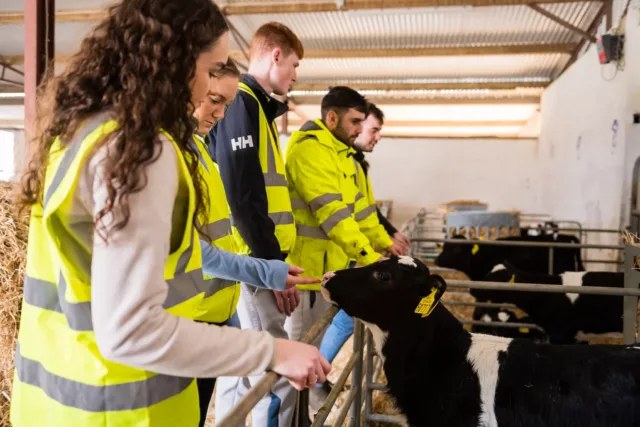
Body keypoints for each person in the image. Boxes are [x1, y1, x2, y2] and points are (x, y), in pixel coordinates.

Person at [10, 2, 329, 426]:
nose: (206, 90)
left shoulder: (79, 135)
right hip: (125, 409)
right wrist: (272, 350)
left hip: (53, 405)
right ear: (174, 60)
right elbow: (130, 329)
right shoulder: (141, 152)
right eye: (211, 69)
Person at [191, 59, 320, 426]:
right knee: (269, 376)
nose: (218, 112)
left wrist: (269, 270)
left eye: (224, 104)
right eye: (213, 98)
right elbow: (242, 205)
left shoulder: (198, 146)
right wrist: (265, 269)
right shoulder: (244, 109)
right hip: (202, 309)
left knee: (235, 382)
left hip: (217, 305)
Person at [211, 22, 303, 427]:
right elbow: (243, 196)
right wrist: (270, 269)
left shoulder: (257, 109)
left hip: (256, 261)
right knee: (275, 367)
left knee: (240, 371)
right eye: (294, 65)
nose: (296, 76)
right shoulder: (242, 104)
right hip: (251, 262)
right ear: (276, 55)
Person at [285, 87, 388, 414]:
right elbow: (333, 215)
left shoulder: (343, 156)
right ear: (331, 118)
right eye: (356, 121)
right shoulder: (311, 151)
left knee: (308, 355)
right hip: (304, 272)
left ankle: (305, 414)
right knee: (296, 362)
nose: (360, 128)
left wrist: (385, 247)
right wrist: (371, 260)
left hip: (326, 275)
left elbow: (362, 214)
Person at [314, 103, 411, 403]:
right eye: (370, 128)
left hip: (350, 251)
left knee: (343, 318)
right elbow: (341, 213)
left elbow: (367, 212)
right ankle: (316, 373)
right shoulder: (335, 158)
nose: (372, 135)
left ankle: (317, 372)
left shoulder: (355, 162)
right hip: (335, 254)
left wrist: (388, 235)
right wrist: (372, 251)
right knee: (336, 319)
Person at [353, 103, 411, 251]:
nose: (378, 137)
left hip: (349, 251)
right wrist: (386, 241)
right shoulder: (342, 161)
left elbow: (367, 208)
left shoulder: (358, 163)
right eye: (374, 131)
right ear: (357, 127)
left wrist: (391, 232)